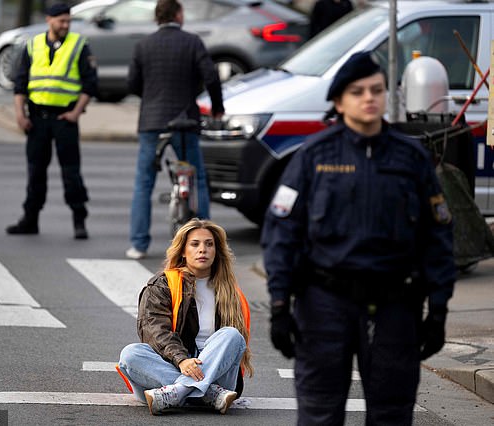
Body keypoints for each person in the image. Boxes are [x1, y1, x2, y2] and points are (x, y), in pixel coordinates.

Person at [261, 51, 456, 425]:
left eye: (376, 90)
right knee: (320, 414)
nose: (369, 98)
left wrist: (440, 309)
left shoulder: (411, 157)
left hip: (394, 308)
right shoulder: (314, 157)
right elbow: (281, 232)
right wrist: (280, 305)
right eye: (358, 91)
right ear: (339, 101)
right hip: (324, 306)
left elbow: (438, 235)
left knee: (392, 415)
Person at [118, 218, 253, 415]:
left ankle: (177, 392)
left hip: (216, 371)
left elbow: (235, 350)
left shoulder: (230, 291)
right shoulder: (163, 284)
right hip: (176, 364)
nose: (202, 249)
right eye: (195, 244)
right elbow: (154, 330)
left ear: (216, 251)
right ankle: (209, 395)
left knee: (232, 335)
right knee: (130, 354)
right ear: (183, 250)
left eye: (209, 244)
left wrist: (199, 366)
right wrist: (181, 360)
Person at [125, 0, 224, 259]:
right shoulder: (192, 42)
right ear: (178, 15)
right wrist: (217, 107)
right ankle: (206, 242)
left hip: (152, 122)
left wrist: (151, 95)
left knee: (144, 181)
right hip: (185, 121)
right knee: (196, 178)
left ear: (157, 17)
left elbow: (132, 84)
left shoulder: (142, 45)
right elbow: (211, 76)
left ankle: (138, 244)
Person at [6, 3, 97, 240]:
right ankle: (30, 219)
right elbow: (20, 83)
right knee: (35, 171)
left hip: (65, 119)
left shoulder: (78, 45)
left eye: (68, 21)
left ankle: (79, 220)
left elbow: (90, 83)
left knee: (71, 173)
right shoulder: (33, 45)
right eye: (61, 21)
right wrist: (20, 114)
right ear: (49, 20)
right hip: (37, 119)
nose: (65, 25)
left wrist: (76, 112)